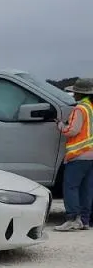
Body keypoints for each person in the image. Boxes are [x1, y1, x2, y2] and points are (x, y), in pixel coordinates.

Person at [55, 78, 93, 231]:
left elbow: (72, 130)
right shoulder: (90, 107)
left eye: (75, 92)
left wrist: (60, 125)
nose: (73, 95)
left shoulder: (80, 109)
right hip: (91, 155)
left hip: (79, 154)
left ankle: (72, 219)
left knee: (71, 187)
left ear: (79, 93)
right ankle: (84, 220)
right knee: (87, 188)